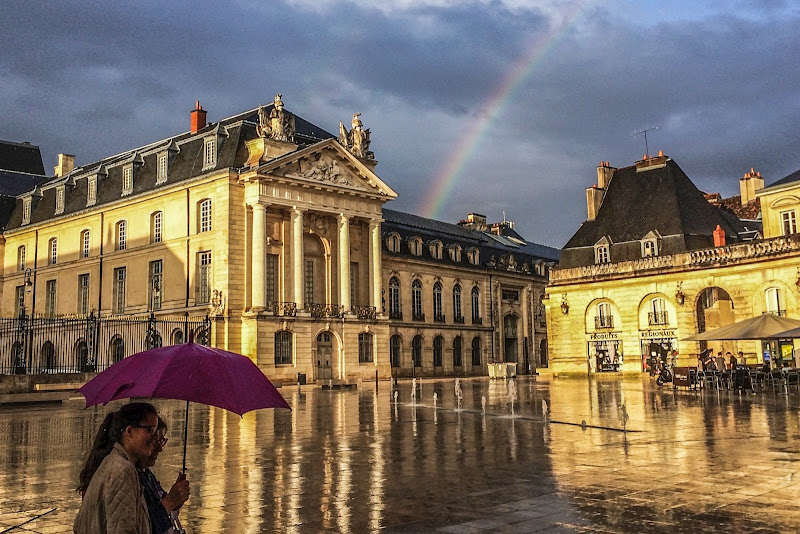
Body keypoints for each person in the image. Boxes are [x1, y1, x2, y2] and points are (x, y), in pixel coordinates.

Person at [74, 402, 158, 534]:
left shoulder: (114, 462)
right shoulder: (122, 470)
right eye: (150, 430)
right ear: (129, 431)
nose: (155, 438)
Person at [137, 418, 190, 534]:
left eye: (162, 441)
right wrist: (170, 501)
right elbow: (145, 527)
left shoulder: (146, 474)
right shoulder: (131, 477)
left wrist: (176, 499)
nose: (160, 449)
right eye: (155, 442)